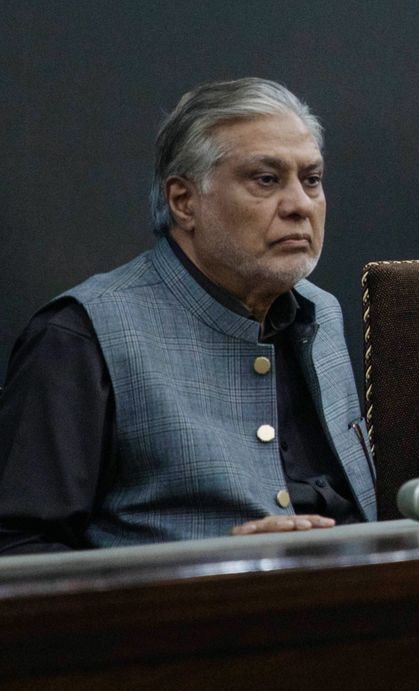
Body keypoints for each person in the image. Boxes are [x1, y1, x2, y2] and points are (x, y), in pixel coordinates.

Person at [0, 78, 377, 554]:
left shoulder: (322, 312)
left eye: (312, 180)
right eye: (266, 179)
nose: (300, 205)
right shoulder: (80, 335)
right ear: (184, 202)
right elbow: (17, 550)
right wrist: (203, 574)